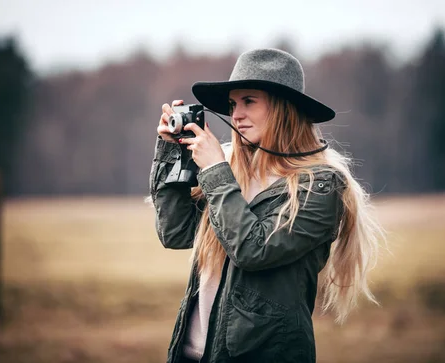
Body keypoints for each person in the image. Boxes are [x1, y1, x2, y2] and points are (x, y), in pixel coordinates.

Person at [149, 48, 384, 363]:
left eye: (249, 101)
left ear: (283, 108)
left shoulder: (320, 186)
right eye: (233, 104)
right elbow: (175, 232)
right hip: (192, 356)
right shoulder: (231, 174)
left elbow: (253, 249)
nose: (237, 115)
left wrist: (214, 171)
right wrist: (172, 151)